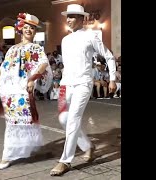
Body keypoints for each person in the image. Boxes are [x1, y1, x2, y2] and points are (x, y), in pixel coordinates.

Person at [49, 4, 117, 176]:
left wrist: (112, 78)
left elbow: (109, 56)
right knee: (64, 118)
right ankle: (88, 146)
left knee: (72, 119)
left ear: (81, 18)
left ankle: (65, 161)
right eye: (68, 17)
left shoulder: (91, 36)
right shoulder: (65, 40)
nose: (69, 20)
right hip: (66, 84)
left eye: (72, 16)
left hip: (83, 84)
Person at [0, 12, 52, 170]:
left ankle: (19, 151)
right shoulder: (12, 49)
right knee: (11, 122)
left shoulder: (36, 48)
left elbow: (44, 63)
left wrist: (33, 78)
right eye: (26, 27)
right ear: (20, 29)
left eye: (32, 28)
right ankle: (8, 155)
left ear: (35, 31)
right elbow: (4, 66)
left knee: (25, 120)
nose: (29, 30)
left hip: (23, 89)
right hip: (9, 91)